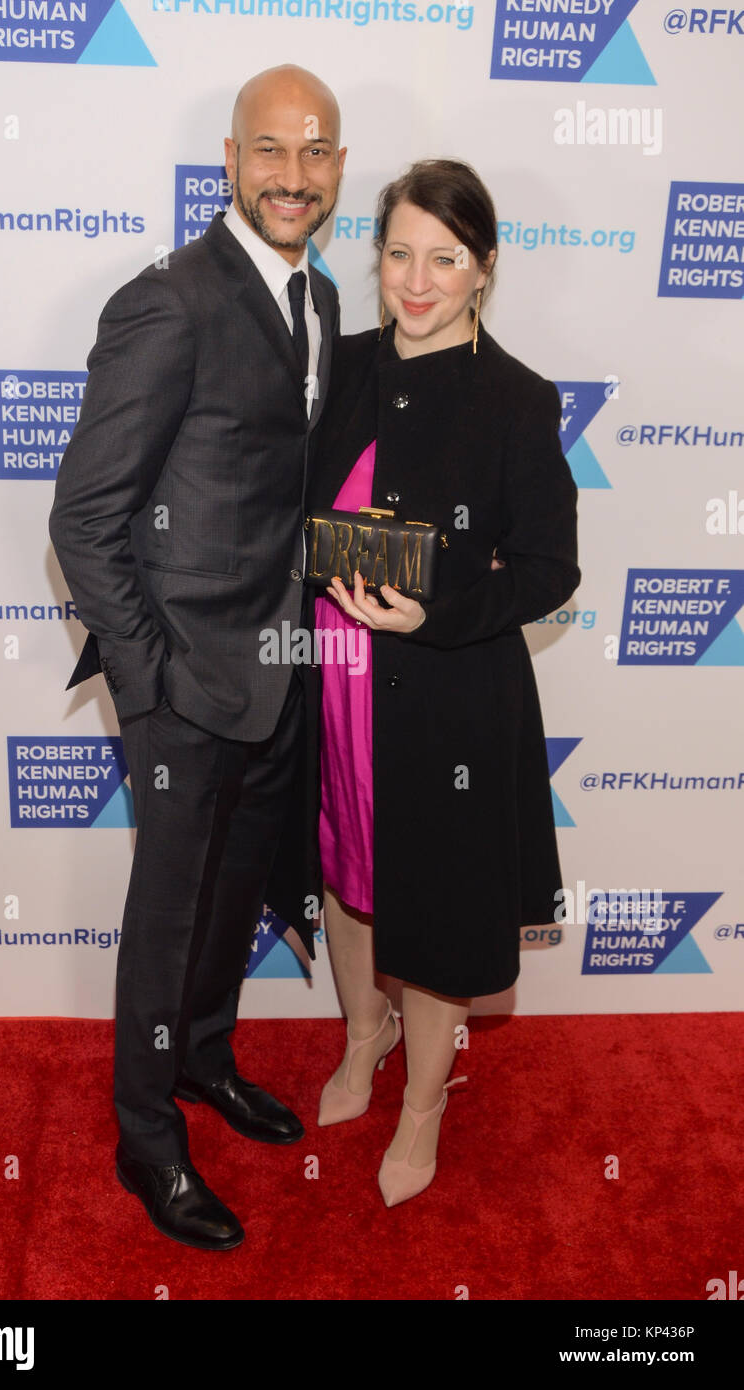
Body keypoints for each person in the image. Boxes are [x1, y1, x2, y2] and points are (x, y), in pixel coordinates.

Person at [48, 65, 345, 1250]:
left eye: (315, 154)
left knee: (230, 903)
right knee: (169, 916)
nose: (291, 175)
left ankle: (204, 1063)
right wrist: (148, 678)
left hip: (278, 670)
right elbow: (84, 515)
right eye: (269, 151)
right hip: (183, 684)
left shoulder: (315, 301)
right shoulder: (170, 300)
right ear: (231, 162)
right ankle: (144, 1136)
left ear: (337, 172)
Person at [306, 159, 580, 1207]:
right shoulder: (344, 365)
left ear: (484, 268)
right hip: (333, 681)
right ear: (376, 257)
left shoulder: (516, 399)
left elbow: (551, 568)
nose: (418, 281)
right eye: (400, 254)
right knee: (344, 863)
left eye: (445, 259)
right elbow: (294, 509)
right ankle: (362, 1039)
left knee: (435, 897)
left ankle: (424, 1101)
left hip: (451, 697)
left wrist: (441, 611)